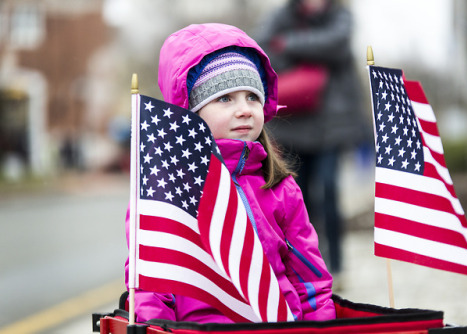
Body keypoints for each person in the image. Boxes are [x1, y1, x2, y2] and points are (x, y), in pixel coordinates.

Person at [125, 23, 336, 324]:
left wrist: (323, 329)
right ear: (191, 113)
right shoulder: (165, 192)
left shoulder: (281, 188)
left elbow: (310, 280)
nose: (245, 110)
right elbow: (151, 284)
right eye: (225, 98)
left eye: (252, 96)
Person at [253, 0, 370, 279]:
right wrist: (311, 50)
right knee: (297, 200)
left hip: (331, 125)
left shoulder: (341, 16)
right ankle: (305, 266)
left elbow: (337, 45)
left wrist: (289, 43)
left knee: (330, 191)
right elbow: (264, 50)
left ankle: (337, 265)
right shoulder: (280, 16)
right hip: (292, 125)